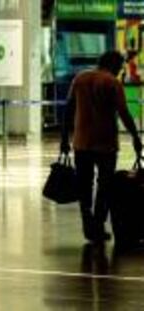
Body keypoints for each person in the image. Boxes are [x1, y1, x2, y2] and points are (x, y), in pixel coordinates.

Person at [61, 51, 143, 242]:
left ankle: (88, 222)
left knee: (84, 185)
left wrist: (64, 138)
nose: (121, 70)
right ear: (114, 64)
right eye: (120, 66)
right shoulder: (112, 83)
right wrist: (135, 137)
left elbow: (68, 109)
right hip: (105, 144)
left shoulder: (80, 78)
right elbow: (124, 113)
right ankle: (97, 225)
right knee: (105, 186)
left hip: (81, 143)